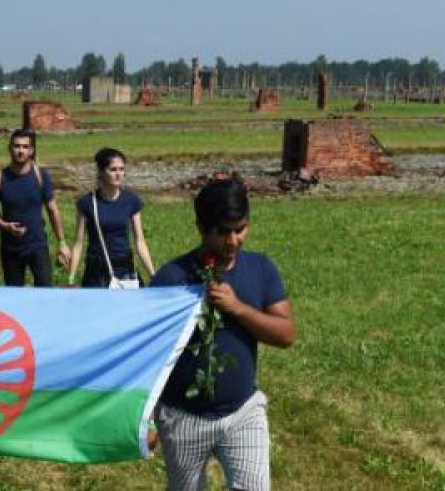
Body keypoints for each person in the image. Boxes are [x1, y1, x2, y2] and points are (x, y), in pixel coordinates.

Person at [150, 178, 296, 490]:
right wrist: (147, 417)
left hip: (243, 411)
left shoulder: (261, 269)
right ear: (201, 229)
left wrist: (237, 307)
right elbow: (149, 351)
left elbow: (285, 334)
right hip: (182, 417)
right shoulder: (172, 278)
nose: (233, 240)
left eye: (240, 229)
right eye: (223, 231)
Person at [0, 129, 70, 286]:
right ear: (10, 148)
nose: (20, 151)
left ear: (31, 150)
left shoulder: (41, 176)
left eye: (24, 147)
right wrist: (5, 226)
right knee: (15, 295)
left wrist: (62, 242)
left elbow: (52, 209)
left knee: (44, 291)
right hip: (10, 249)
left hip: (37, 245)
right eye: (16, 146)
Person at [68, 147, 154, 287]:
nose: (118, 174)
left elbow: (140, 241)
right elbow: (78, 243)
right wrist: (71, 278)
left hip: (124, 268)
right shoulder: (87, 203)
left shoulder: (131, 201)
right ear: (101, 172)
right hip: (97, 271)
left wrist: (152, 274)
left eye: (121, 169)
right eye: (113, 170)